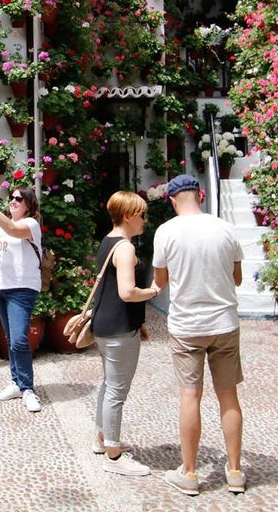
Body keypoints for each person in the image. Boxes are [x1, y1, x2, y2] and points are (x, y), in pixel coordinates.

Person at [152, 174, 246, 496]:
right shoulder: (225, 228)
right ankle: (235, 471)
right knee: (228, 395)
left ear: (173, 200)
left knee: (190, 396)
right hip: (223, 323)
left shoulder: (166, 232)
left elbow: (160, 281)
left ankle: (190, 474)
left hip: (186, 326)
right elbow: (237, 278)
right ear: (201, 196)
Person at [90, 191, 161, 476]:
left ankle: (101, 439)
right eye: (142, 215)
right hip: (119, 330)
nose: (144, 220)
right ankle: (114, 455)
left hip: (105, 326)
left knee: (109, 385)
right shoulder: (126, 248)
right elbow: (127, 292)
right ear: (129, 216)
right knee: (117, 391)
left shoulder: (108, 242)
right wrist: (154, 291)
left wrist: (139, 320)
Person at [0, 184, 43, 413]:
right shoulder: (1, 227)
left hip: (21, 288)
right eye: (11, 198)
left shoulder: (30, 224)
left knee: (18, 340)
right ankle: (16, 383)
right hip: (0, 288)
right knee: (10, 338)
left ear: (28, 206)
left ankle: (27, 389)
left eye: (18, 199)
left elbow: (14, 229)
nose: (13, 201)